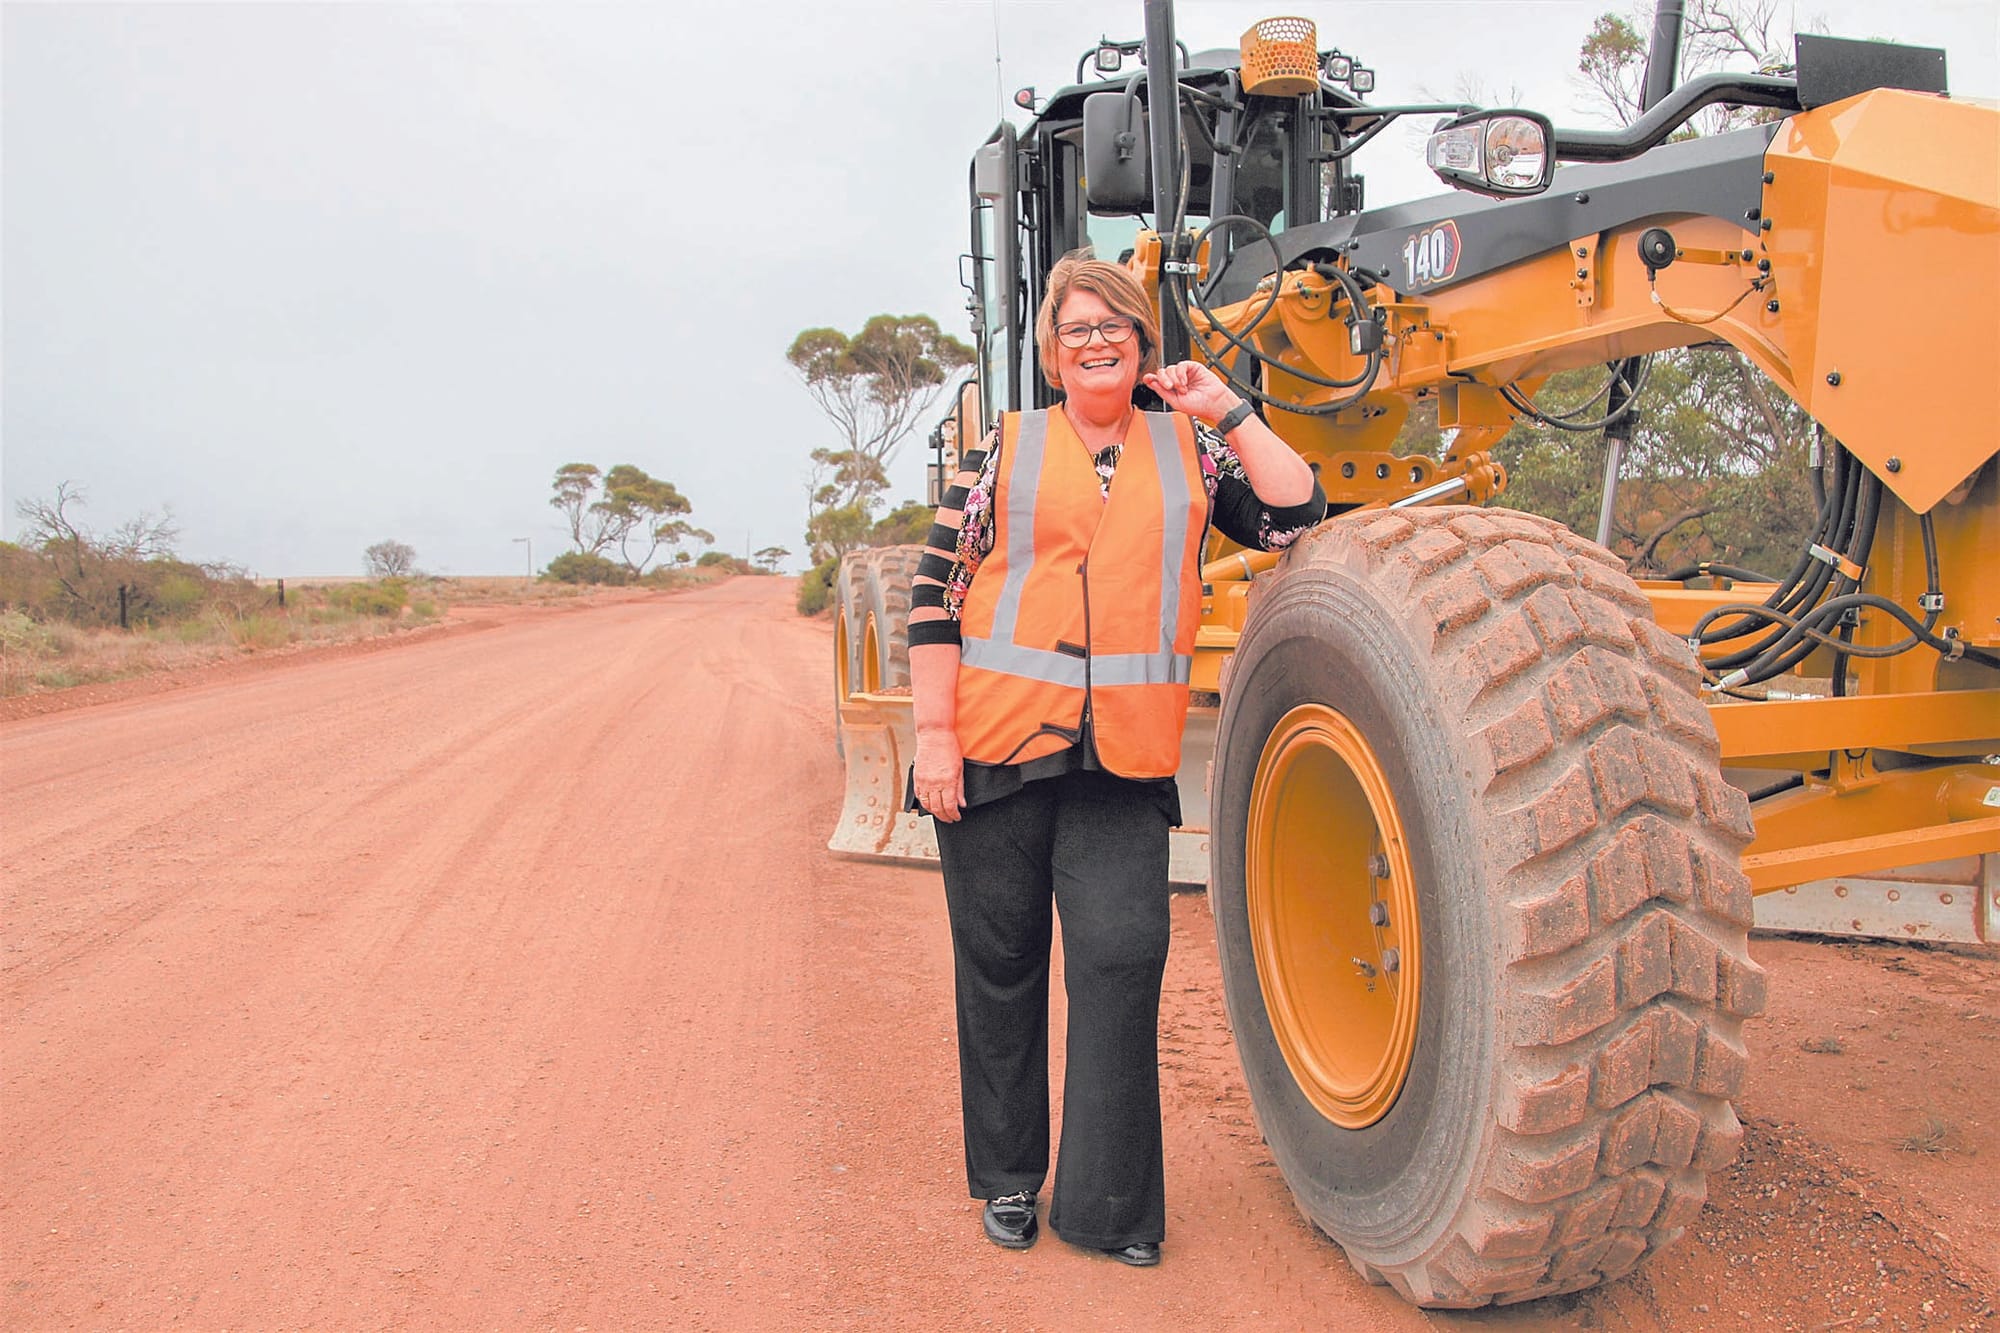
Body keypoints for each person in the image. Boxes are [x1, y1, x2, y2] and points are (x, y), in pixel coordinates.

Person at [905, 254, 1327, 1266]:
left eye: (1115, 329)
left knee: (1121, 961)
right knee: (1000, 972)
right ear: (1051, 356)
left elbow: (1293, 515)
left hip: (1124, 762)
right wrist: (932, 738)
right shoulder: (999, 451)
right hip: (996, 748)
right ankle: (1008, 1182)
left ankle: (1107, 1206)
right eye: (1076, 331)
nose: (1095, 343)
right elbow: (934, 595)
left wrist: (1227, 408)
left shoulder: (1191, 450)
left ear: (1142, 345)